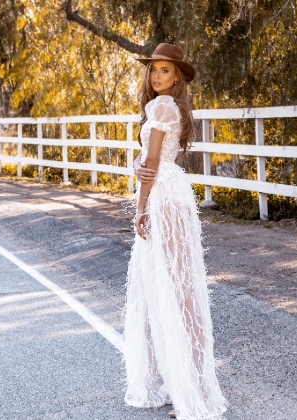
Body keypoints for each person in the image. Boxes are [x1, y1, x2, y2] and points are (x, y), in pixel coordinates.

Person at [123, 43, 227, 420]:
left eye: (165, 71)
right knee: (173, 285)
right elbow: (153, 160)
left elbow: (151, 163)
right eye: (153, 69)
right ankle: (183, 382)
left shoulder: (161, 107)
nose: (156, 76)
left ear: (178, 77)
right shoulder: (172, 107)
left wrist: (139, 209)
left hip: (162, 197)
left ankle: (189, 392)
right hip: (173, 192)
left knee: (169, 287)